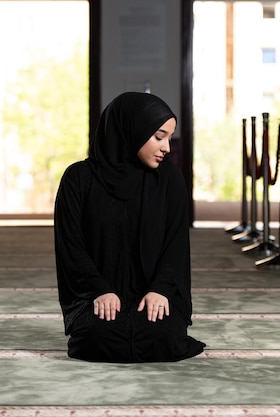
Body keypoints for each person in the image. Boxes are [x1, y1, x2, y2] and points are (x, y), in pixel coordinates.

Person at [54, 92, 206, 363]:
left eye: (169, 138)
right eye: (159, 137)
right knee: (99, 337)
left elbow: (176, 246)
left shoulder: (169, 179)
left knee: (164, 337)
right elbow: (71, 247)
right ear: (131, 130)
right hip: (97, 293)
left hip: (154, 292)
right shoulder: (78, 179)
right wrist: (99, 289)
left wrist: (161, 289)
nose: (167, 148)